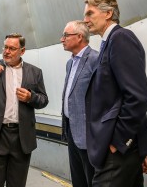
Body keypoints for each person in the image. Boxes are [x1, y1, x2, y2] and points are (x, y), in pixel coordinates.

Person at [83, 0, 147, 187]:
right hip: (124, 149)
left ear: (108, 13)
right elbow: (118, 97)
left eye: (90, 13)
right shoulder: (108, 43)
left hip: (118, 148)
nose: (85, 20)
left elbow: (137, 96)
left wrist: (120, 142)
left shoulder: (121, 38)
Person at [0, 33, 49, 187]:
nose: (7, 51)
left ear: (22, 51)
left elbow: (44, 100)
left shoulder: (35, 72)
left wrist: (30, 98)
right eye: (5, 47)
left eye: (12, 48)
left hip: (21, 138)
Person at [60, 20, 98, 187]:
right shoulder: (70, 63)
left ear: (80, 37)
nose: (62, 39)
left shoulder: (95, 59)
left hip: (90, 135)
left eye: (66, 35)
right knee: (78, 181)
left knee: (92, 180)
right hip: (72, 132)